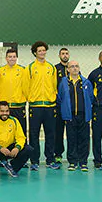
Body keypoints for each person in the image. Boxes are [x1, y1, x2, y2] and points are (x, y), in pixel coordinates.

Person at [27, 41, 59, 170]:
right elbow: (25, 86)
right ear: (35, 52)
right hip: (35, 106)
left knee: (50, 133)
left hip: (50, 106)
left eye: (43, 50)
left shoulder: (51, 67)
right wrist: (32, 99)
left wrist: (52, 98)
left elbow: (54, 85)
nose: (42, 52)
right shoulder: (29, 68)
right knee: (34, 134)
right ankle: (34, 161)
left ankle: (50, 160)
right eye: (39, 50)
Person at [57, 61, 93, 172]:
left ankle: (83, 162)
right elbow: (60, 97)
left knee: (84, 139)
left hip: (83, 115)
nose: (74, 68)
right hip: (70, 116)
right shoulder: (63, 82)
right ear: (67, 69)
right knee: (71, 139)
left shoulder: (86, 82)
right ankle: (72, 162)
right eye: (72, 66)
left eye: (76, 66)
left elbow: (91, 97)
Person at [0, 101, 32, 178]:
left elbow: (21, 138)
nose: (4, 113)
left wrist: (17, 148)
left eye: (7, 111)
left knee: (28, 149)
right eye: (2, 111)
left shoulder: (14, 121)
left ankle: (12, 167)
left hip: (9, 149)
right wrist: (0, 148)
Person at [0, 49, 29, 136]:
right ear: (6, 58)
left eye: (14, 57)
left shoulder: (23, 70)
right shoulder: (0, 70)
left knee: (21, 132)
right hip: (5, 108)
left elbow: (26, 86)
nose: (12, 59)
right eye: (10, 57)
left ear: (17, 58)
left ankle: (22, 149)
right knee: (5, 133)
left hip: (19, 106)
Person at [54, 48, 70, 163]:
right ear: (59, 55)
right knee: (58, 131)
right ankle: (58, 154)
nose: (65, 55)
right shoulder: (55, 69)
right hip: (59, 106)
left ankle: (73, 154)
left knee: (72, 131)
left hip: (71, 106)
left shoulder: (74, 68)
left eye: (66, 53)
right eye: (63, 54)